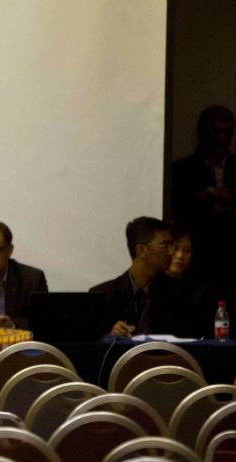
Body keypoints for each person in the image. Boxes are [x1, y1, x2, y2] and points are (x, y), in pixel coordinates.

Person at [173, 105, 235, 302]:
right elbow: (182, 211)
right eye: (215, 131)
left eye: (227, 132)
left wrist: (207, 196)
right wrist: (216, 196)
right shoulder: (181, 170)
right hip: (197, 265)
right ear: (201, 132)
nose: (221, 138)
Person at [90, 217, 192, 337]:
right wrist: (111, 336)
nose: (171, 252)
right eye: (164, 246)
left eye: (171, 246)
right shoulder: (104, 295)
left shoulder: (179, 294)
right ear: (141, 250)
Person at [166, 226, 219, 338]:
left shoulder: (204, 291)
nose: (180, 256)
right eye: (175, 249)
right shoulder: (150, 286)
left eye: (187, 251)